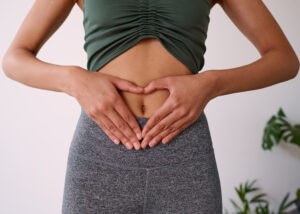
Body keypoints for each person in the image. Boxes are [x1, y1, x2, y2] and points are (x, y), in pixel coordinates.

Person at [2, 0, 299, 213]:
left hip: (184, 152)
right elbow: (14, 58)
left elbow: (284, 59)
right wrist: (74, 80)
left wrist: (211, 84)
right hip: (100, 153)